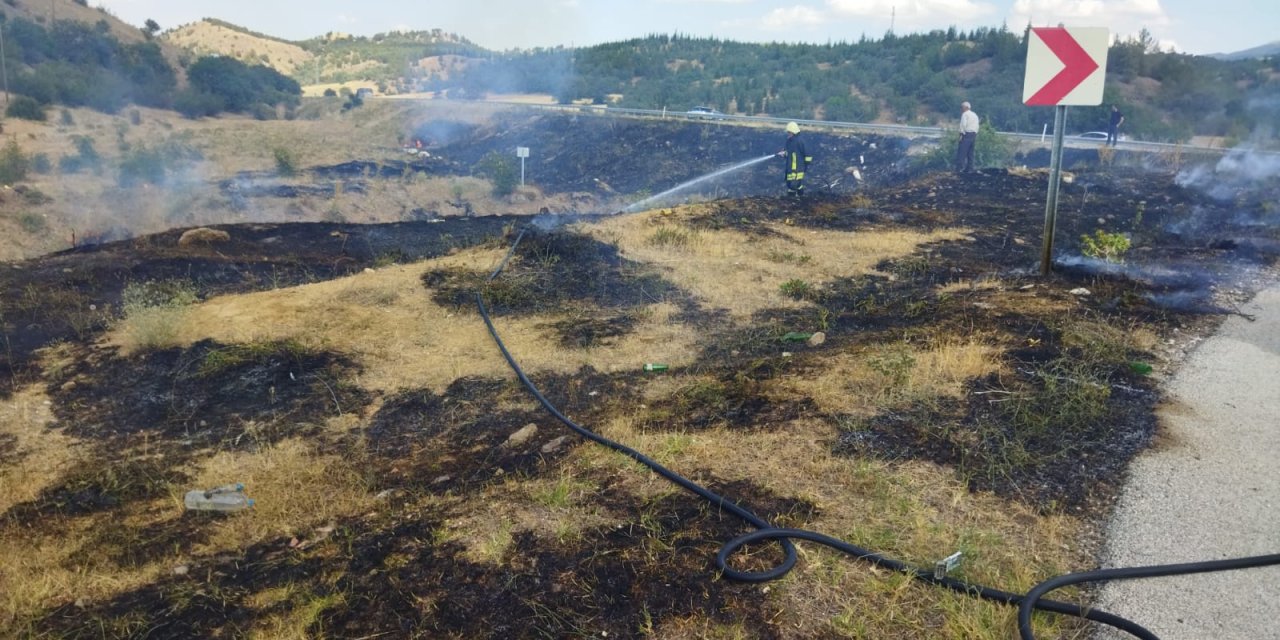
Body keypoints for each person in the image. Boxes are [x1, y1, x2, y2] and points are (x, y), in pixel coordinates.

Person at [776, 121, 812, 197]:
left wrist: (805, 165)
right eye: (788, 132)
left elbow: (807, 154)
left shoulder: (800, 141)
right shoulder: (789, 141)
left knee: (793, 185)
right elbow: (788, 153)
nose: (788, 134)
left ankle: (792, 200)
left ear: (793, 132)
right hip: (790, 168)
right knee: (793, 184)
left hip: (797, 168)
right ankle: (800, 198)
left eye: (789, 132)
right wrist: (783, 154)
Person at [956, 101, 979, 174]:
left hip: (966, 134)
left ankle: (959, 168)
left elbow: (963, 125)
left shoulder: (965, 114)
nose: (961, 109)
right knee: (970, 153)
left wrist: (961, 135)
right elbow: (977, 126)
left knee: (962, 151)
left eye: (962, 107)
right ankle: (970, 168)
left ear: (965, 107)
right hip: (974, 134)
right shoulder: (975, 115)